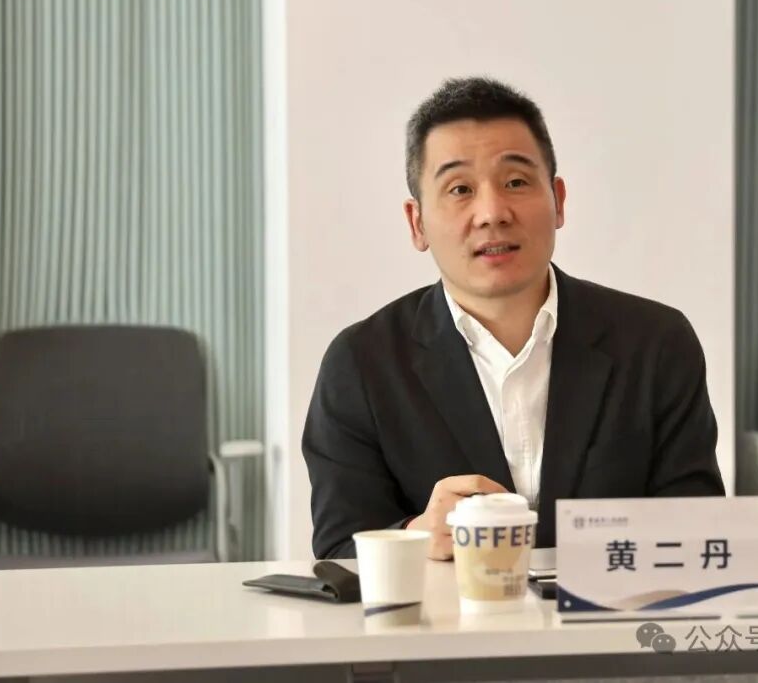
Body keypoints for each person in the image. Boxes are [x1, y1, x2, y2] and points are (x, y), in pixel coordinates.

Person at [303, 77, 724, 560]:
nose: (492, 213)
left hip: (615, 612)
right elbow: (339, 550)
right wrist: (417, 537)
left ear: (558, 200)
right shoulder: (362, 364)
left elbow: (698, 534)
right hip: (443, 612)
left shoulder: (655, 344)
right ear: (417, 223)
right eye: (460, 189)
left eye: (516, 182)